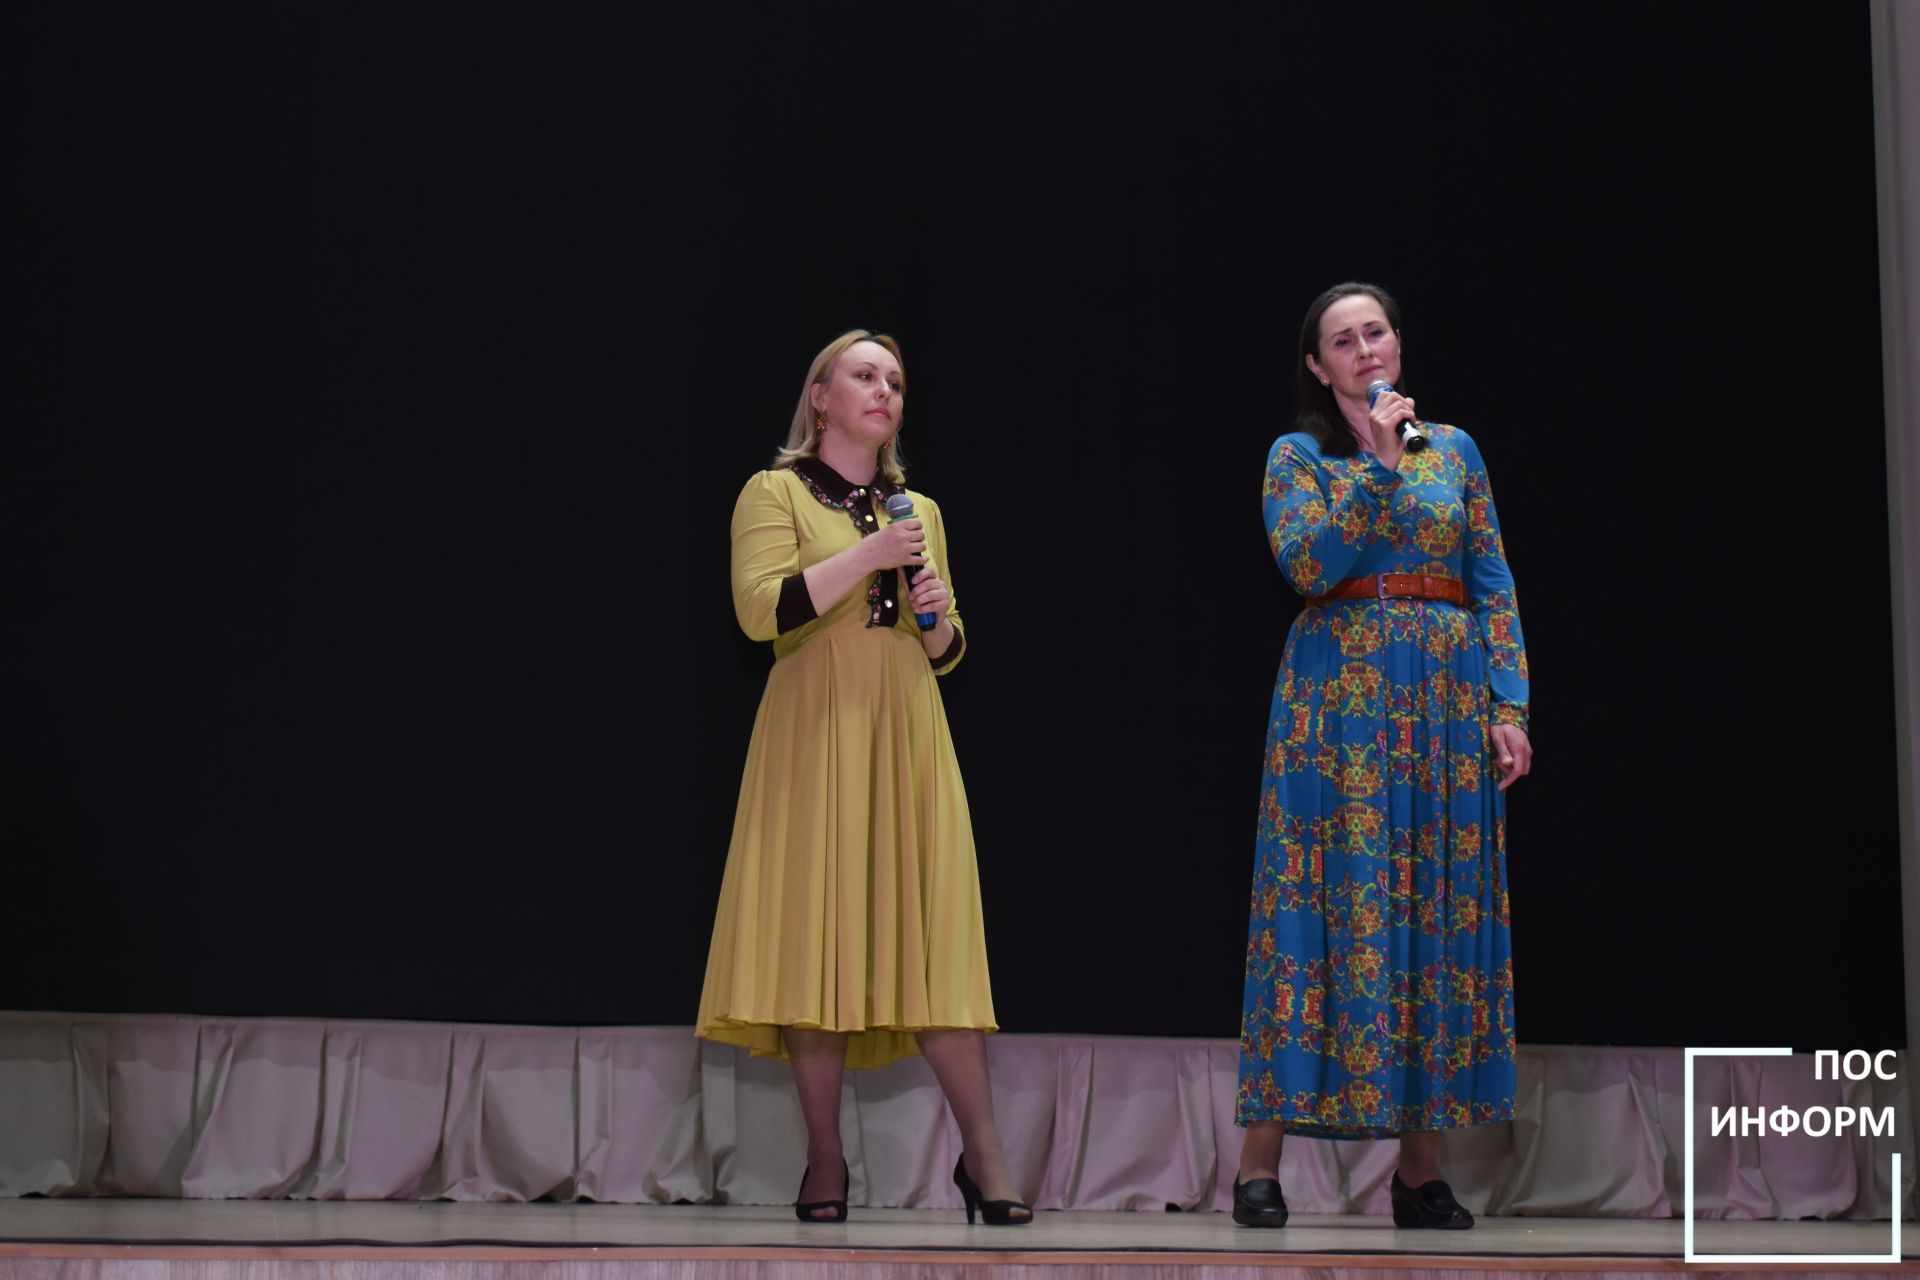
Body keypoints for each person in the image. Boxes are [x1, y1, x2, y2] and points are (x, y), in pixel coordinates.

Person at [695, 330, 1031, 1227]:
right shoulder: (772, 491)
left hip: (907, 727)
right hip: (816, 726)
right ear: (820, 396)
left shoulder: (919, 510)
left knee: (934, 937)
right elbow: (760, 611)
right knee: (819, 936)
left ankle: (986, 1159)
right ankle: (824, 1158)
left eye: (896, 381)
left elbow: (947, 650)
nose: (884, 391)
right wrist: (869, 558)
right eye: (865, 375)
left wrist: (935, 615)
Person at [1233, 283, 1532, 1231]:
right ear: (1318, 366)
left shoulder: (1456, 450)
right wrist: (1381, 466)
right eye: (1343, 340)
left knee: (1430, 908)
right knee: (1320, 906)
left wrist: (1509, 703)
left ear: (1397, 345)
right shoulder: (1298, 456)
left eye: (1376, 332)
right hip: (1341, 705)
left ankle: (1420, 1171)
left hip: (1444, 703)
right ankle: (1259, 1163)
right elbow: (1309, 565)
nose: (1365, 349)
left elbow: (1491, 576)